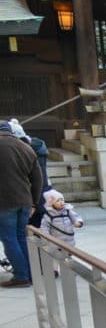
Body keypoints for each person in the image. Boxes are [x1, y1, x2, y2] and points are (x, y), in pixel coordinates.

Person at [0, 120, 43, 288]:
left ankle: (21, 276)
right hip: (25, 201)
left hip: (4, 201)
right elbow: (38, 179)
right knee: (21, 237)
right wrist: (33, 203)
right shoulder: (26, 147)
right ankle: (30, 274)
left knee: (9, 238)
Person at [7, 119, 53, 230]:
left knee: (28, 230)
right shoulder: (36, 147)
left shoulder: (26, 151)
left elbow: (34, 179)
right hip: (38, 195)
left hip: (29, 197)